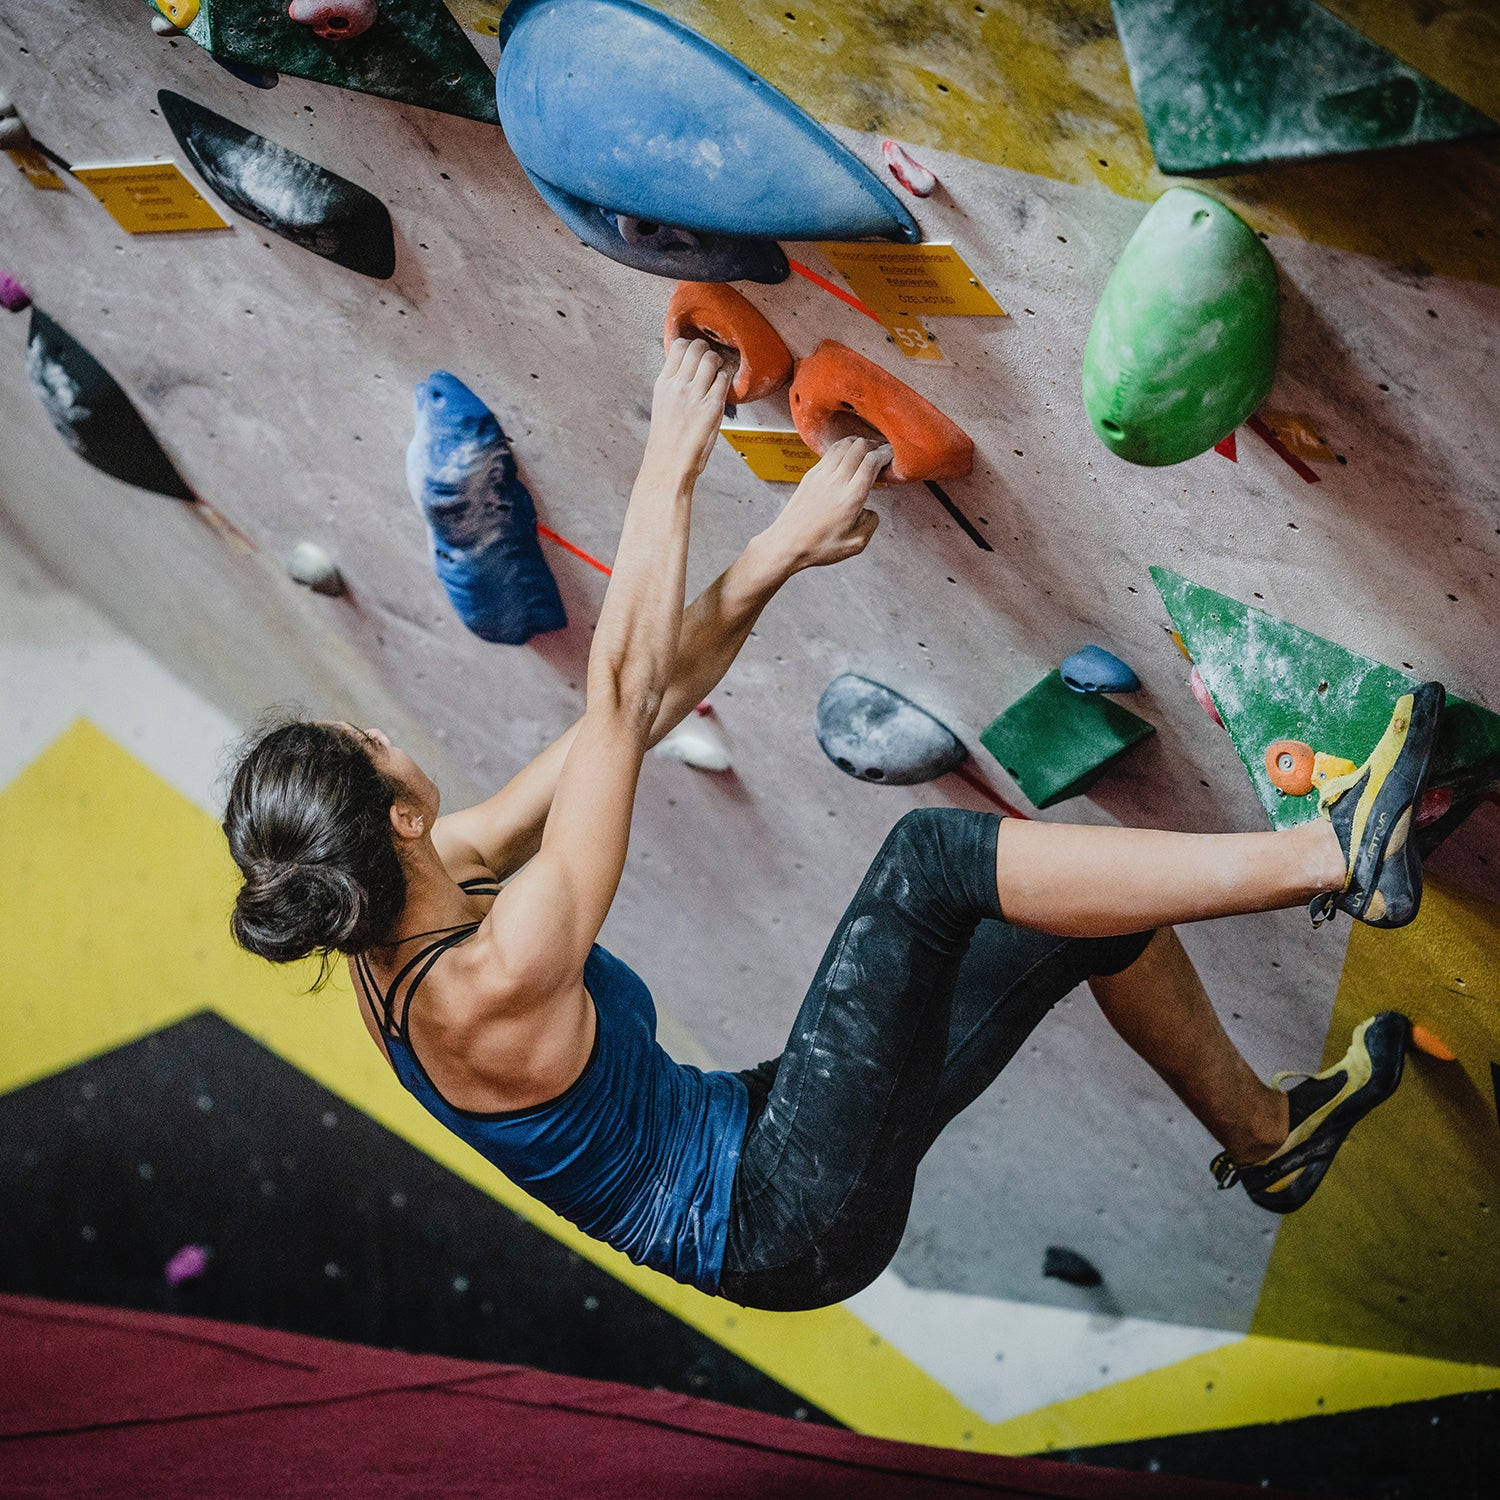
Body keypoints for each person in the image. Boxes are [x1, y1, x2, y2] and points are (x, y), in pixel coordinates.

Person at [223, 339, 1439, 1312]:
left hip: (766, 1133)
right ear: (394, 811)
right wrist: (671, 457)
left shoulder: (432, 880)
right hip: (781, 1221)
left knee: (1078, 916)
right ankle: (1334, 854)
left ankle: (1272, 1137)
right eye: (367, 745)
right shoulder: (490, 977)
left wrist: (776, 558)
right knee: (933, 865)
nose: (385, 735)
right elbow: (619, 692)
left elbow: (632, 722)